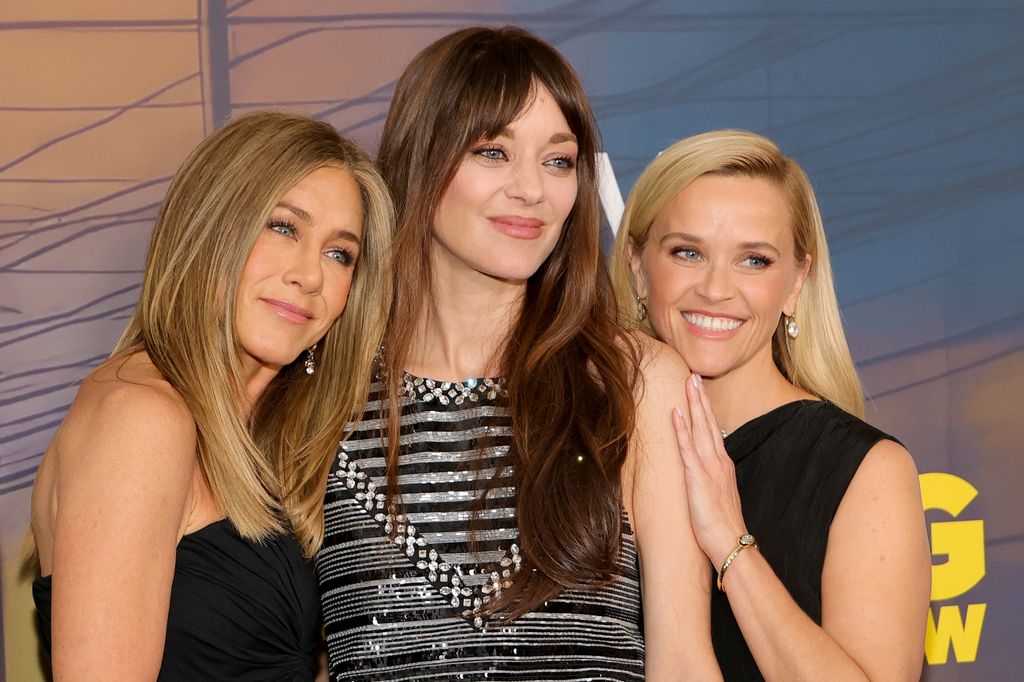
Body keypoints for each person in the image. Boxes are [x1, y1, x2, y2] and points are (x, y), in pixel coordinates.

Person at [314, 26, 720, 681]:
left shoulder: (634, 381)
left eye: (558, 161)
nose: (532, 189)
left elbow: (683, 661)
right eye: (493, 152)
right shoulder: (323, 391)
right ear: (423, 157)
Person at [29, 111, 394, 680]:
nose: (311, 275)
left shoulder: (270, 441)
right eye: (283, 227)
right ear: (211, 227)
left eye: (339, 253)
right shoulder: (143, 417)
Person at [611, 129, 931, 680]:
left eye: (753, 261)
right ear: (639, 268)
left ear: (795, 282)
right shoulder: (582, 440)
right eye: (687, 252)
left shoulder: (863, 471)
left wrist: (731, 544)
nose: (715, 289)